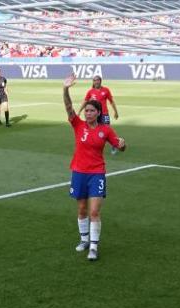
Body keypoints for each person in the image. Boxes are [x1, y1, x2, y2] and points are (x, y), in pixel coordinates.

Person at [62, 73, 127, 262]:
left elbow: (120, 146)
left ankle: (94, 247)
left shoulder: (105, 130)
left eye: (91, 111)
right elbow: (68, 107)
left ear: (98, 113)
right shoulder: (78, 125)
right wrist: (65, 89)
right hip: (79, 172)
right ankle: (84, 240)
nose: (88, 113)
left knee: (94, 212)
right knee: (81, 209)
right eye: (87, 110)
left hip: (97, 174)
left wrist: (123, 145)